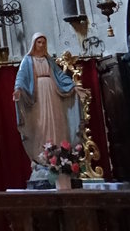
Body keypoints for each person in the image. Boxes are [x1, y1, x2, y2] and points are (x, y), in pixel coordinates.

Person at [13, 33, 82, 165]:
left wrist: (73, 86)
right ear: (34, 44)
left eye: (43, 42)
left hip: (52, 91)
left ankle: (60, 154)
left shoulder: (49, 60)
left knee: (57, 119)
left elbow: (60, 75)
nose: (42, 45)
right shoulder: (28, 60)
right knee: (42, 122)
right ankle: (43, 155)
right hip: (38, 92)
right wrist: (18, 89)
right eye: (39, 42)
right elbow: (21, 77)